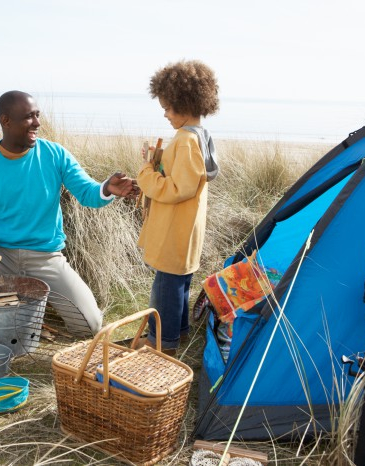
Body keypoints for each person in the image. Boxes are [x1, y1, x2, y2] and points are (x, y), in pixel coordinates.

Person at [0, 90, 138, 335]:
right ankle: (1, 296)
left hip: (45, 258)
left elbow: (88, 194)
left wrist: (107, 188)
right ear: (6, 121)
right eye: (29, 117)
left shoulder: (55, 154)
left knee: (89, 326)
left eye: (37, 115)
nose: (37, 123)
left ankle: (28, 301)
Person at [137, 59, 220, 355]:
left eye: (168, 107)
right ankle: (179, 333)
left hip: (174, 229)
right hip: (186, 227)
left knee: (166, 289)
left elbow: (177, 188)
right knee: (179, 283)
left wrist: (147, 173)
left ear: (185, 104)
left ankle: (162, 343)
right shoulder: (200, 136)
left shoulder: (185, 140)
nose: (165, 113)